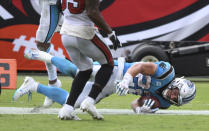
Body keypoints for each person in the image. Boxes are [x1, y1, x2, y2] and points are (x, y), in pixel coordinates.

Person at [13, 49, 196, 119]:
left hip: (111, 88)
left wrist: (142, 108)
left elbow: (135, 104)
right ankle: (41, 55)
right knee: (76, 72)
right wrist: (126, 79)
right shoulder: (166, 71)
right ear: (177, 84)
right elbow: (140, 66)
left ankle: (33, 86)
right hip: (116, 70)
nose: (172, 98)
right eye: (175, 94)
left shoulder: (164, 103)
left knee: (73, 102)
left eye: (176, 100)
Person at [56, 0, 121, 120]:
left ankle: (67, 108)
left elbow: (58, 5)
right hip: (83, 33)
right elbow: (92, 12)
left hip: (66, 33)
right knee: (108, 64)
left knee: (85, 69)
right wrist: (111, 34)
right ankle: (90, 100)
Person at [34, 0, 63, 107]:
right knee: (42, 45)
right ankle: (53, 82)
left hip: (58, 4)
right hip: (49, 4)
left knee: (78, 39)